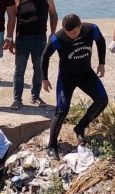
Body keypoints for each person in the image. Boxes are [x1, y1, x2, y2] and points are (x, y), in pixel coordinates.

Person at [41, 14, 108, 160]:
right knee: (62, 110)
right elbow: (45, 56)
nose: (72, 37)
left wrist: (101, 63)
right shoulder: (58, 38)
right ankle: (52, 146)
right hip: (67, 78)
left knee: (102, 100)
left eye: (75, 33)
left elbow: (101, 42)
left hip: (86, 74)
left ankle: (80, 127)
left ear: (80, 26)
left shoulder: (92, 29)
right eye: (68, 34)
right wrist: (44, 78)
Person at [11, 0, 59, 110]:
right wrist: (10, 39)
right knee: (19, 70)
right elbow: (11, 19)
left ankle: (35, 96)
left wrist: (53, 33)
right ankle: (17, 99)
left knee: (39, 69)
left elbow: (53, 15)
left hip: (40, 38)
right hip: (22, 39)